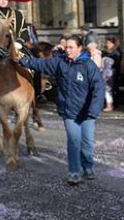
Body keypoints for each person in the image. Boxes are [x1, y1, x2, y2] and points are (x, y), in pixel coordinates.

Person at [17, 35, 104, 185]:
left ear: (79, 48)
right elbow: (40, 64)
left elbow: (99, 88)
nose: (68, 50)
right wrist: (22, 61)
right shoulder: (60, 62)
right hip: (69, 111)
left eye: (71, 47)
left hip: (87, 112)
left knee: (87, 142)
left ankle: (88, 167)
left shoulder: (88, 65)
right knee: (73, 141)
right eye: (66, 47)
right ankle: (74, 173)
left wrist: (94, 110)